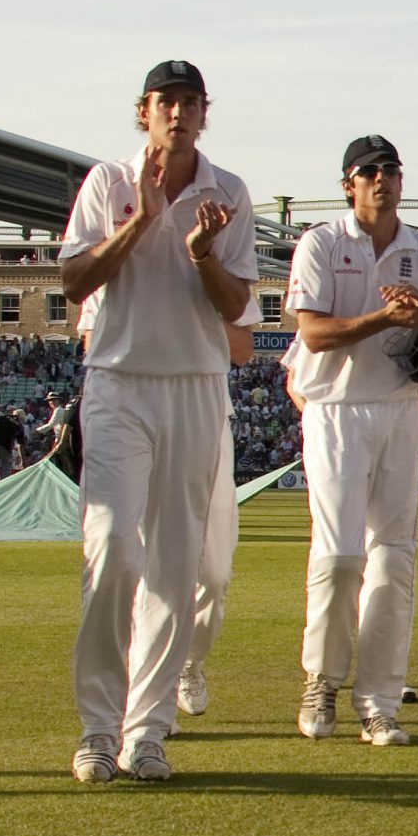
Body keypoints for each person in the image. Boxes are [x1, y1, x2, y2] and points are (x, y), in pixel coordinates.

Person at [59, 60, 257, 784]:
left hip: (195, 387)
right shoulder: (107, 183)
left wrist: (200, 253)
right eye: (164, 101)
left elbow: (236, 306)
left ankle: (146, 730)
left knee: (176, 564)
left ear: (206, 113)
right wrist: (139, 222)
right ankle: (96, 728)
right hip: (116, 380)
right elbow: (74, 280)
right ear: (142, 111)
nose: (177, 112)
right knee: (113, 548)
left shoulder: (228, 191)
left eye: (189, 102)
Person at [285, 135, 418, 746]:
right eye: (369, 172)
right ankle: (321, 679)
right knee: (340, 555)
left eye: (391, 171)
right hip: (335, 410)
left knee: (393, 560)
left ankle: (379, 703)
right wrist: (385, 318)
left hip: (399, 409)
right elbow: (314, 334)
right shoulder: (321, 242)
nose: (382, 180)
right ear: (348, 183)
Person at [176, 308, 261, 721]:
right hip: (135, 410)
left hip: (209, 417)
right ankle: (145, 692)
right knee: (139, 569)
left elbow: (243, 349)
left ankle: (189, 663)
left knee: (214, 575)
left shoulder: (216, 263)